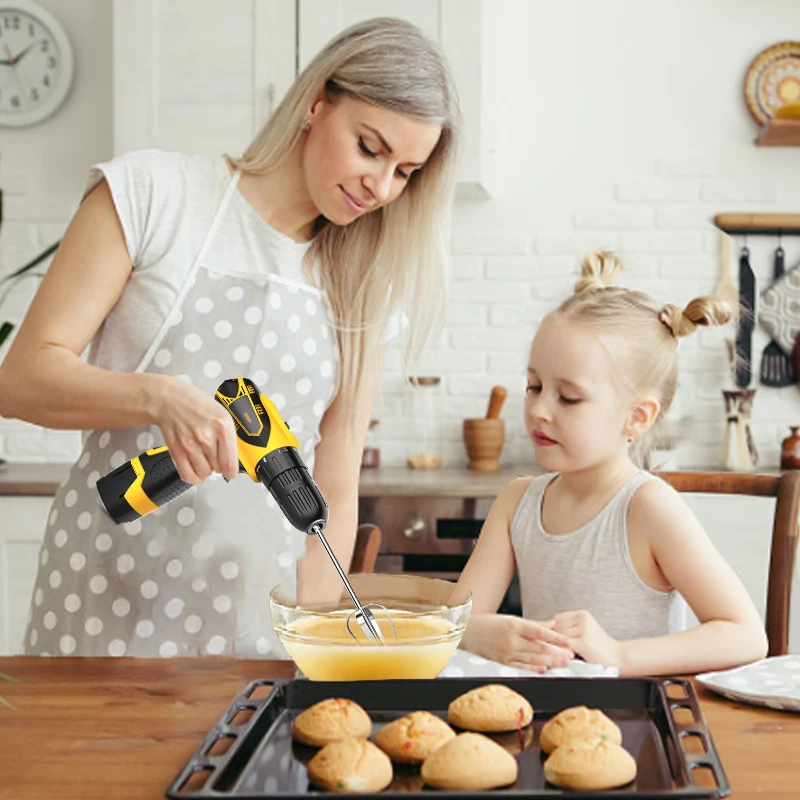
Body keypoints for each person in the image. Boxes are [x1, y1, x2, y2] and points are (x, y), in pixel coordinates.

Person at [0, 17, 461, 658]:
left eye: (405, 171)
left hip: (258, 626)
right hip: (103, 599)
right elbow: (20, 380)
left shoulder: (364, 284)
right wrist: (160, 399)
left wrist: (317, 640)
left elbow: (337, 476)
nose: (380, 187)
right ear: (316, 101)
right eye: (369, 148)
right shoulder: (155, 195)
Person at [455, 251, 768, 676]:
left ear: (637, 417)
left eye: (568, 397)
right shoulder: (516, 502)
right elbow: (450, 625)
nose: (539, 410)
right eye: (534, 386)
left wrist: (619, 656)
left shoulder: (649, 506)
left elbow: (746, 634)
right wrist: (478, 633)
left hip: (636, 727)